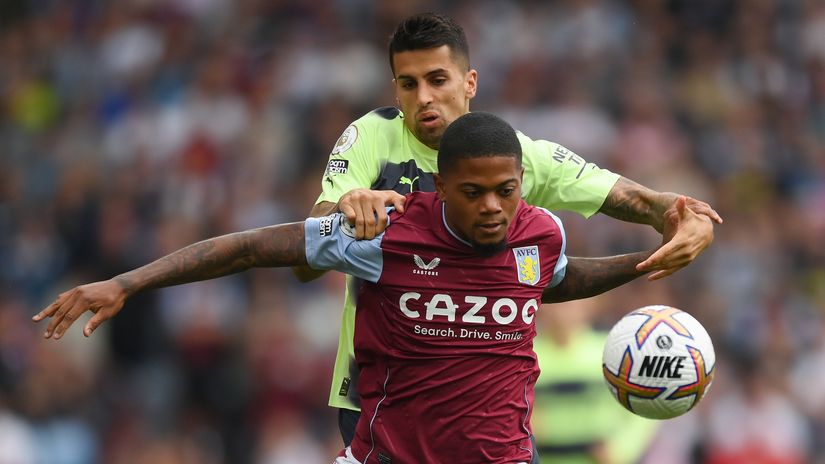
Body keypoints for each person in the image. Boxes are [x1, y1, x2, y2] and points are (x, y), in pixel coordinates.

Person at [35, 112, 667, 463]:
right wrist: (126, 282)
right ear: (440, 187)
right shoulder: (385, 233)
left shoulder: (540, 234)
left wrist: (646, 262)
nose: (493, 208)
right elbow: (250, 247)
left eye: (506, 191)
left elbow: (558, 279)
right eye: (473, 193)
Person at [293, 12, 722, 450]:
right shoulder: (374, 138)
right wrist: (344, 210)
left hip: (488, 411)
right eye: (409, 84)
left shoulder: (510, 156)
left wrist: (692, 220)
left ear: (470, 83)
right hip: (380, 398)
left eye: (437, 80)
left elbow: (648, 203)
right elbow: (307, 255)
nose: (423, 97)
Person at [532, 300, 659, 464]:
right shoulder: (527, 357)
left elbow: (645, 404)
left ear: (588, 305)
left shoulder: (613, 351)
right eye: (556, 302)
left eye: (569, 303)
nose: (561, 310)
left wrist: (620, 449)